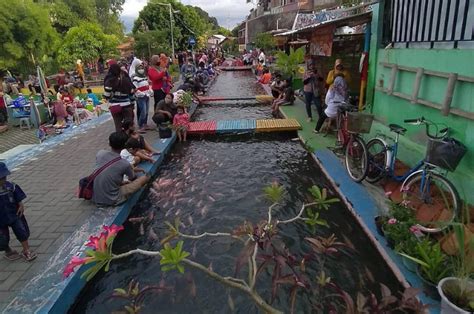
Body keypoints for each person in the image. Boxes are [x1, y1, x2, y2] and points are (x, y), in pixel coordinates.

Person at [92, 132, 150, 206]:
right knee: (144, 178)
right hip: (112, 198)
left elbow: (109, 172)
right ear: (125, 146)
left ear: (109, 144)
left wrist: (122, 182)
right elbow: (132, 177)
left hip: (96, 196)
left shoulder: (100, 153)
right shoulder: (124, 163)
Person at [0, 162, 37, 261]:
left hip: (14, 214)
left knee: (21, 230)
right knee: (3, 238)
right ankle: (8, 250)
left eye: (4, 177)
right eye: (1, 179)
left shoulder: (11, 186)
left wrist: (20, 204)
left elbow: (18, 197)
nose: (3, 180)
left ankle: (26, 249)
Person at [104, 63, 136, 132]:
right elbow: (131, 93)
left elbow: (107, 95)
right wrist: (132, 104)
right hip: (127, 105)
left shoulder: (109, 81)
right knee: (129, 125)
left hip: (115, 106)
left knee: (118, 125)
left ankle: (120, 140)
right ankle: (130, 139)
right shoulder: (126, 80)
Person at [132, 63, 151, 133]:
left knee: (146, 111)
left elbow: (147, 86)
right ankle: (140, 125)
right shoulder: (135, 79)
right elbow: (135, 89)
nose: (141, 70)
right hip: (140, 97)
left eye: (142, 68)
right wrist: (142, 94)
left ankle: (145, 124)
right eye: (139, 69)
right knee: (143, 111)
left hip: (147, 96)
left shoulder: (144, 77)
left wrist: (150, 91)